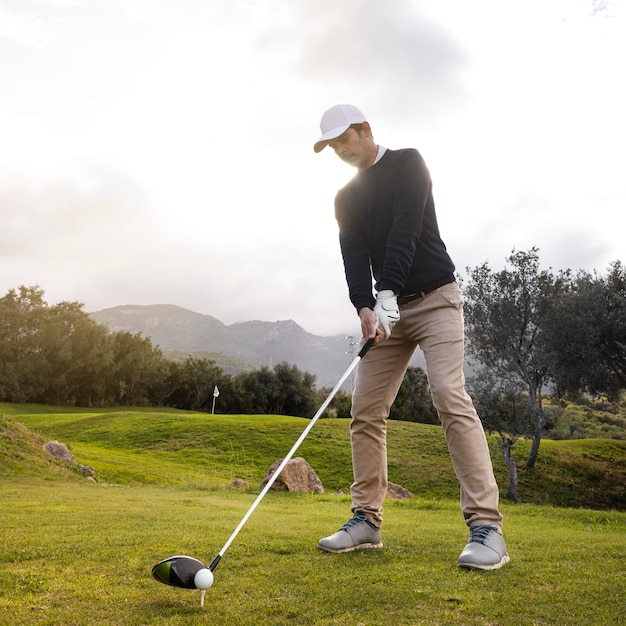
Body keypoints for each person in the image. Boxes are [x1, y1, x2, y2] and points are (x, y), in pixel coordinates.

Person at [313, 104, 509, 570]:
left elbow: (405, 231)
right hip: (387, 312)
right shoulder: (344, 198)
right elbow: (353, 256)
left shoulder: (408, 163)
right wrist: (365, 306)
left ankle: (487, 528)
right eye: (332, 146)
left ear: (366, 129)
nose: (341, 151)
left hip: (437, 298)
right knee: (365, 410)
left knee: (447, 394)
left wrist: (386, 294)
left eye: (345, 140)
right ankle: (365, 520)